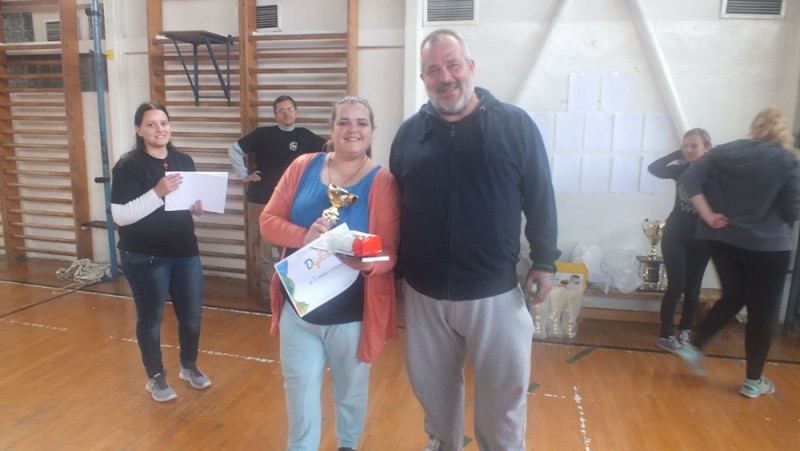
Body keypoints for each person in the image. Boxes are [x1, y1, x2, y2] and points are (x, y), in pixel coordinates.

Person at [389, 29, 560, 450]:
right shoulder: (409, 134)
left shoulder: (514, 125)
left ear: (470, 67)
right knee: (434, 398)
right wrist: (396, 273)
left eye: (453, 65)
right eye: (433, 70)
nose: (445, 77)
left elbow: (540, 195)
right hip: (424, 295)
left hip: (495, 293)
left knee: (502, 405)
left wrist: (545, 260)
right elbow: (396, 208)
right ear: (423, 78)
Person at [260, 96, 400, 450]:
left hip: (350, 317)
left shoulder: (382, 182)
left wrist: (370, 264)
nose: (353, 130)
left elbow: (390, 251)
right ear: (332, 128)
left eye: (361, 123)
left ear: (372, 130)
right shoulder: (302, 166)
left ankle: (347, 444)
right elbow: (267, 221)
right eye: (344, 122)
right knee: (299, 393)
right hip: (299, 310)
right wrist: (303, 236)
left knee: (350, 395)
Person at [676, 107, 800, 399]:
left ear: (754, 127)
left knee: (734, 296)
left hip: (723, 239)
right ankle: (753, 381)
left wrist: (708, 215)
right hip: (768, 246)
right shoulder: (787, 160)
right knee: (762, 313)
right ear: (782, 130)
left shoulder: (724, 152)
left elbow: (689, 180)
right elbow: (792, 211)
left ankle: (694, 346)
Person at [111, 101, 211, 402]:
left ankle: (189, 366)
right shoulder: (129, 165)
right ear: (139, 130)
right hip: (144, 256)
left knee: (191, 316)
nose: (159, 129)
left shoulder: (183, 160)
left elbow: (186, 206)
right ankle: (155, 378)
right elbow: (121, 216)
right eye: (151, 124)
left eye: (164, 123)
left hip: (184, 251)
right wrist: (157, 192)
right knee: (151, 319)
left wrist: (197, 209)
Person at [228, 95, 327, 310]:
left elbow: (330, 151)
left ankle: (291, 294)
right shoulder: (263, 134)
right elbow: (234, 149)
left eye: (290, 109)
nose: (286, 113)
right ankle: (269, 295)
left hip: (291, 203)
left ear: (296, 112)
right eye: (281, 110)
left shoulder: (306, 136)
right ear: (275, 115)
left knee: (290, 248)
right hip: (260, 200)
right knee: (264, 250)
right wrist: (244, 175)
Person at [647, 129, 713, 352]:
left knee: (694, 287)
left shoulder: (715, 173)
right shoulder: (681, 170)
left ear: (707, 148)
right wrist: (678, 153)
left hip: (702, 237)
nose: (689, 150)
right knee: (676, 285)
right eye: (686, 145)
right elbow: (654, 168)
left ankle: (684, 330)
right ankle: (665, 334)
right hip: (676, 235)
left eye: (694, 146)